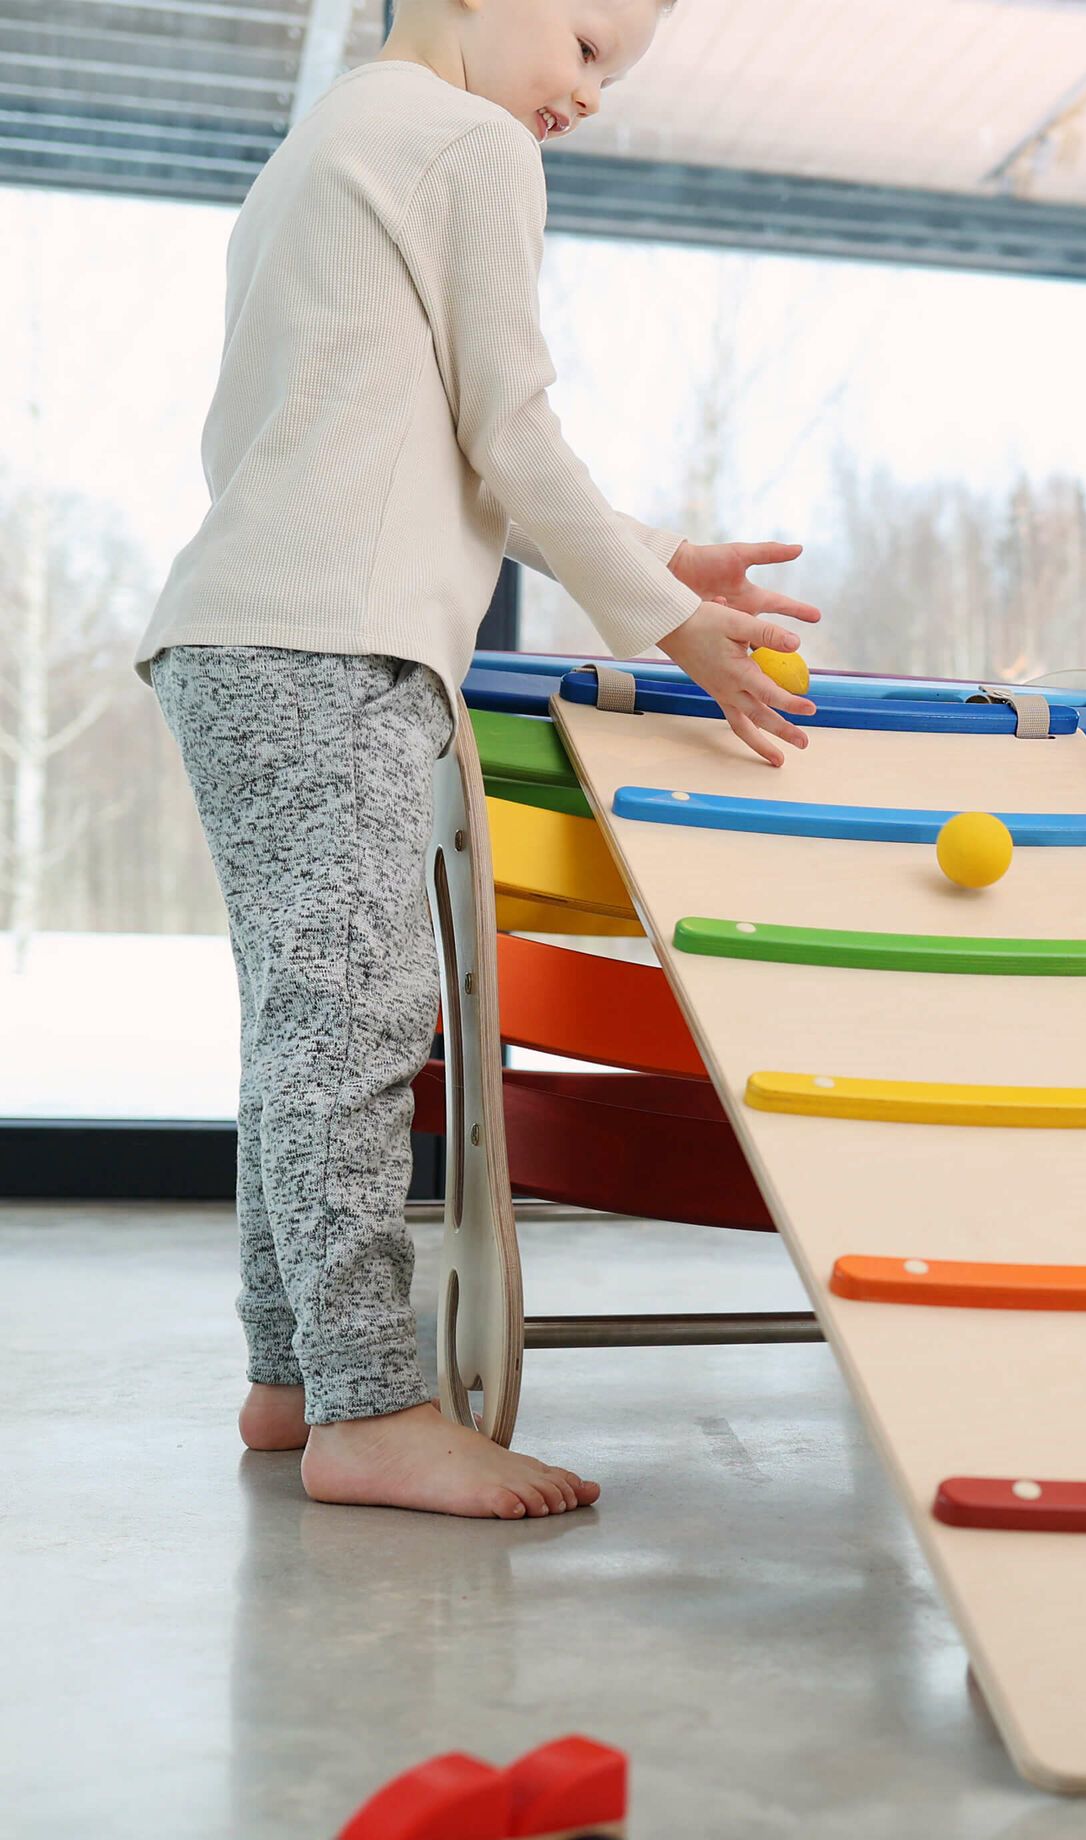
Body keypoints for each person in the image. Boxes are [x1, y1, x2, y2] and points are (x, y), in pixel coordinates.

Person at [135, 0, 817, 1514]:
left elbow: (397, 428)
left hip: (241, 633)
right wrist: (664, 620)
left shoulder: (324, 142)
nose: (590, 95)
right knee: (362, 1022)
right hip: (331, 645)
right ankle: (371, 1408)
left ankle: (295, 1370)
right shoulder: (470, 145)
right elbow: (509, 427)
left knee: (304, 1025)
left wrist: (659, 554)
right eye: (584, 44)